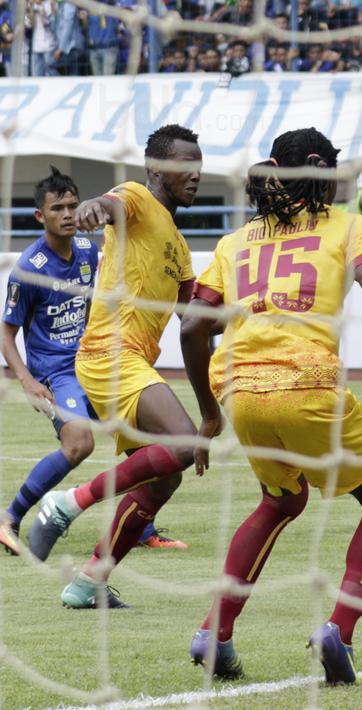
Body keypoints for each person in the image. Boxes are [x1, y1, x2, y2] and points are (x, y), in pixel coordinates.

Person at [182, 127, 362, 684]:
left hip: (242, 392)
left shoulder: (235, 240)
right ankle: (339, 630)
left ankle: (213, 634)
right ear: (320, 169)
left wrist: (208, 409)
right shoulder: (349, 226)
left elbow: (194, 326)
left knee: (280, 500)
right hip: (308, 383)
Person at [25, 124, 204, 608]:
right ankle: (67, 503)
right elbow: (109, 205)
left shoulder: (180, 248)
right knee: (183, 443)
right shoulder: (138, 198)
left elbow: (196, 321)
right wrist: (90, 210)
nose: (194, 175)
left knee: (165, 477)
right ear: (156, 168)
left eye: (198, 166)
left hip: (132, 364)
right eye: (184, 165)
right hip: (108, 354)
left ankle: (87, 584)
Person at [0, 168, 97, 557]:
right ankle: (10, 516)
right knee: (79, 442)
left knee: (146, 429)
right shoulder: (29, 269)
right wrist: (25, 379)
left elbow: (92, 304)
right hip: (55, 373)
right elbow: (6, 332)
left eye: (73, 205)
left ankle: (141, 525)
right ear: (41, 216)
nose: (69, 214)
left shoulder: (90, 252)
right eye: (58, 208)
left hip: (93, 361)